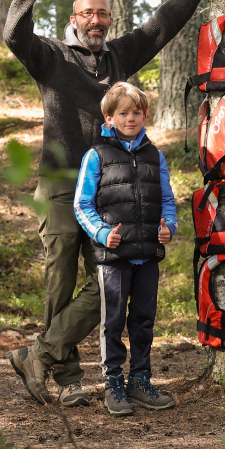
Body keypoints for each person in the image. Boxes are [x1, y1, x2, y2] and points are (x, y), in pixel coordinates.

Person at [5, 0, 213, 407]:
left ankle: (38, 355)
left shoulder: (120, 56)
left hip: (111, 189)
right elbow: (13, 32)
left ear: (109, 18)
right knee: (60, 282)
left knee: (107, 280)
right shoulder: (51, 56)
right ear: (74, 19)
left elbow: (160, 26)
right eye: (86, 13)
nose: (94, 20)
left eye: (101, 13)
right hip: (61, 186)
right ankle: (65, 378)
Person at [73, 82, 176, 416]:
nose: (131, 118)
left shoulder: (154, 155)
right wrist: (102, 233)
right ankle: (113, 382)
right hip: (113, 256)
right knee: (113, 321)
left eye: (136, 112)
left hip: (147, 253)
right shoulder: (97, 155)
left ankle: (141, 379)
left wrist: (168, 227)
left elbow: (167, 200)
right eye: (123, 113)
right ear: (109, 117)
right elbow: (81, 204)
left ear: (144, 115)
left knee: (144, 320)